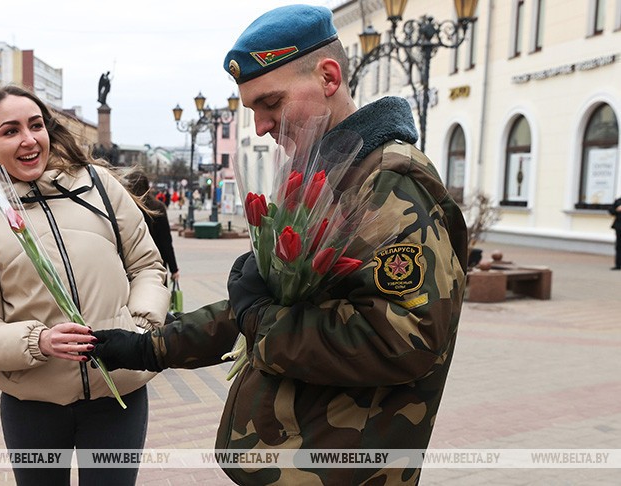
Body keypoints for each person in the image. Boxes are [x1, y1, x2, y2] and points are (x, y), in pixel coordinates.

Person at [91, 5, 469, 485]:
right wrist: (150, 348)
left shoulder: (388, 182)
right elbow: (270, 307)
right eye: (252, 110)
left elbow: (402, 340)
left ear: (328, 76)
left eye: (271, 103)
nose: (261, 127)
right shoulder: (327, 177)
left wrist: (260, 320)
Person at [0, 85, 169, 485]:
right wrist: (40, 341)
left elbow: (148, 266)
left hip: (118, 392)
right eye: (10, 131)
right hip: (33, 404)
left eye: (36, 126)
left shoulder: (100, 187)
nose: (29, 139)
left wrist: (138, 329)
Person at [124, 170, 180, 283]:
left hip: (130, 267)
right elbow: (166, 242)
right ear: (147, 186)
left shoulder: (125, 207)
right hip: (155, 265)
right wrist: (174, 269)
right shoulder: (157, 207)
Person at [610, 196, 621, 270]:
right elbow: (611, 211)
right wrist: (617, 210)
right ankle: (618, 265)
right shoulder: (618, 201)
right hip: (619, 227)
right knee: (619, 246)